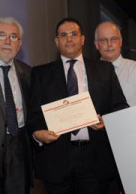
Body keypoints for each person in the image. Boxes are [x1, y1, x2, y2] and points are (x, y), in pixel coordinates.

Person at [27, 17, 128, 194]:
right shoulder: (41, 73)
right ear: (57, 41)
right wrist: (37, 134)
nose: (69, 38)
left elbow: (120, 107)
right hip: (55, 160)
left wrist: (105, 121)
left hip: (95, 158)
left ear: (82, 39)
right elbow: (34, 115)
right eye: (63, 35)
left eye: (74, 34)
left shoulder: (104, 70)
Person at [0, 17, 32, 194]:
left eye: (13, 37)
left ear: (20, 44)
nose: (8, 41)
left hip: (19, 148)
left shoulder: (28, 72)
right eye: (2, 35)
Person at [94, 21, 136, 106]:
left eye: (114, 39)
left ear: (120, 42)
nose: (109, 44)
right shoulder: (88, 73)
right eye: (103, 40)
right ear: (96, 44)